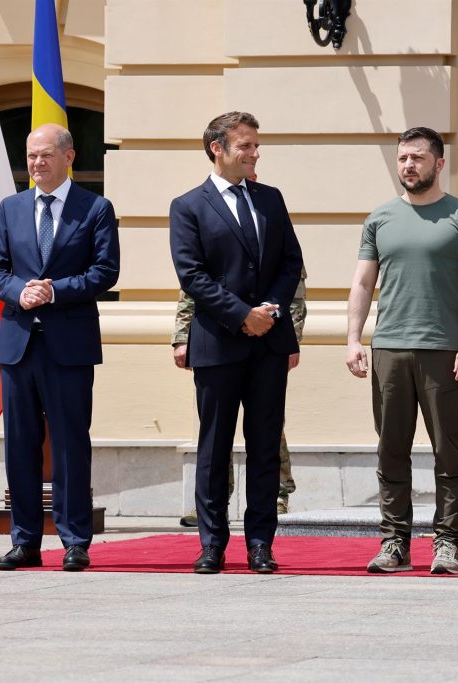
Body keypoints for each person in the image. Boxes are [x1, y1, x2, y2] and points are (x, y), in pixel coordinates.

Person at [346, 126, 458, 575]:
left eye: (418, 158)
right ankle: (394, 543)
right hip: (389, 348)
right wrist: (353, 338)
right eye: (403, 158)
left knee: (447, 450)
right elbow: (363, 282)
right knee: (391, 449)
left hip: (444, 352)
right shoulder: (380, 218)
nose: (409, 165)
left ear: (439, 163)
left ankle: (447, 542)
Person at [0, 124, 120, 572]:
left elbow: (105, 272)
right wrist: (20, 291)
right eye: (31, 156)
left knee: (69, 446)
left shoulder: (95, 208)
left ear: (68, 157)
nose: (36, 164)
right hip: (19, 345)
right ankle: (24, 540)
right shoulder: (12, 208)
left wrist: (54, 291)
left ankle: (75, 540)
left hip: (69, 346)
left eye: (44, 156)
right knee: (20, 446)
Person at [169, 111, 303, 574]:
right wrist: (240, 315)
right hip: (218, 343)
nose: (254, 152)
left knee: (264, 445)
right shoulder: (188, 205)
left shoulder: (271, 198)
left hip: (268, 340)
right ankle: (212, 544)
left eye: (254, 145)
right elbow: (192, 275)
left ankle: (261, 543)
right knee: (214, 447)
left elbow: (290, 262)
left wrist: (269, 311)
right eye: (245, 145)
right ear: (218, 149)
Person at [173, 265, 307, 525]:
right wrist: (182, 335)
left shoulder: (275, 230)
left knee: (267, 425)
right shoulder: (211, 228)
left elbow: (294, 291)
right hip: (218, 339)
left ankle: (277, 496)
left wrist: (292, 339)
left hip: (269, 340)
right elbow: (193, 285)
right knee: (215, 426)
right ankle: (214, 500)